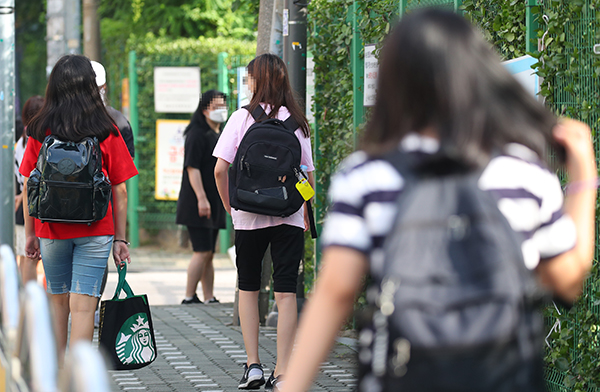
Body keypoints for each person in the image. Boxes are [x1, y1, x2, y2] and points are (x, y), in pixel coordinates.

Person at [281, 9, 596, 392]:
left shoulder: (366, 174)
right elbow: (567, 277)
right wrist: (583, 177)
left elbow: (337, 291)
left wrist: (292, 385)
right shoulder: (523, 172)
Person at [20, 54, 138, 361]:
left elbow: (28, 184)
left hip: (51, 229)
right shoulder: (106, 129)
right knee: (84, 306)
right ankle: (79, 375)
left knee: (57, 301)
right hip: (96, 229)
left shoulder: (39, 127)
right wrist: (120, 239)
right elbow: (120, 189)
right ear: (90, 87)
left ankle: (57, 372)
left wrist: (30, 234)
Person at [213, 53, 315, 389]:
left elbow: (219, 169)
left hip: (248, 216)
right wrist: (299, 211)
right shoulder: (298, 123)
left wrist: (231, 206)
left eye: (249, 78)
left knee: (248, 287)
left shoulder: (242, 118)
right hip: (288, 216)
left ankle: (253, 365)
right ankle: (284, 371)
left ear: (256, 81)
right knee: (285, 294)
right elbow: (309, 180)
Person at [89, 60, 135, 328]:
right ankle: (91, 308)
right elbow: (122, 179)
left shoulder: (54, 118)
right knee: (97, 262)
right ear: (104, 86)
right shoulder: (116, 121)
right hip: (102, 211)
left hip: (55, 215)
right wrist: (121, 236)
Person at [176, 90, 228, 304]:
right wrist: (202, 198)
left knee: (209, 253)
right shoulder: (197, 134)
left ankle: (209, 296)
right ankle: (189, 296)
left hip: (213, 201)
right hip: (198, 202)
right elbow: (192, 168)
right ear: (205, 109)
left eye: (223, 106)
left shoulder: (219, 134)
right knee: (202, 251)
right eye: (216, 106)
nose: (221, 111)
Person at [15, 95, 44, 282]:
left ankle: (25, 300)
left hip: (23, 207)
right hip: (39, 205)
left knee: (25, 257)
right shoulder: (38, 139)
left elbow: (21, 179)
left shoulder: (20, 143)